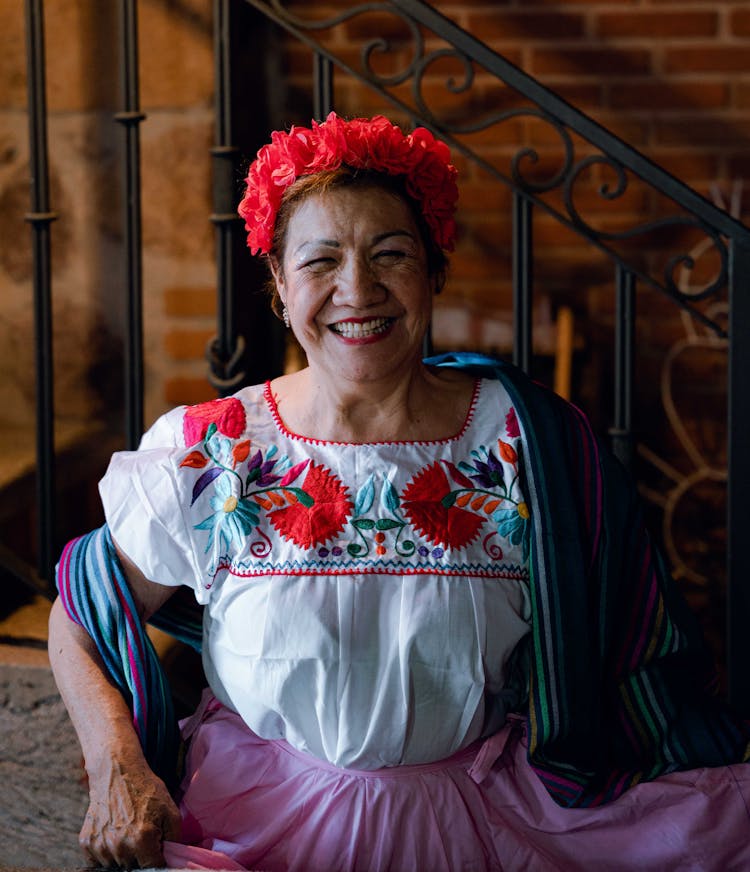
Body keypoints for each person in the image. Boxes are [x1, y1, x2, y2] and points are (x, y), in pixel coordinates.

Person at [49, 113, 750, 872]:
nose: (359, 290)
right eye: (321, 261)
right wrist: (117, 762)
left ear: (432, 272)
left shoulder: (527, 443)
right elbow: (79, 616)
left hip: (477, 820)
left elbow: (630, 650)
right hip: (252, 822)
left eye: (391, 253)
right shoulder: (214, 449)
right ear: (280, 285)